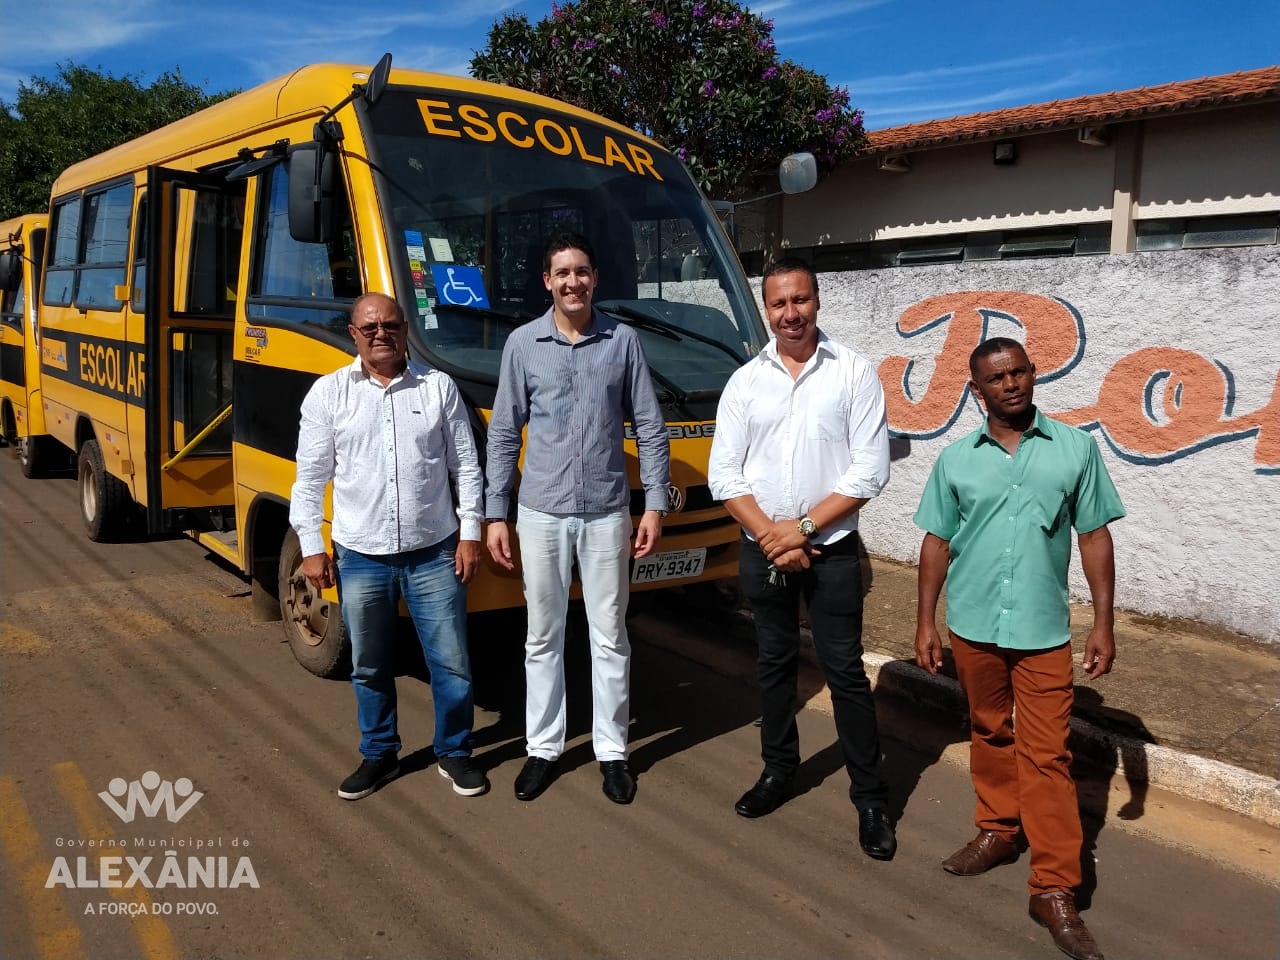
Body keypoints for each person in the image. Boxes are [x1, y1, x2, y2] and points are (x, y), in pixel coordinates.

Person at [913, 336, 1125, 960]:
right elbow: (935, 544)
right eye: (996, 377)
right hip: (972, 624)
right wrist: (925, 622)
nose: (1011, 384)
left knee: (1047, 755)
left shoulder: (1075, 449)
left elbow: (1094, 538)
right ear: (976, 390)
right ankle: (999, 830)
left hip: (1041, 630)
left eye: (1019, 371)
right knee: (987, 731)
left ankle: (1054, 886)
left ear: (1033, 375)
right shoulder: (955, 460)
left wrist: (1104, 623)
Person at [707, 257, 897, 861]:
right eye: (779, 304)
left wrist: (805, 529)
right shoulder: (746, 381)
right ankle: (778, 771)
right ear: (767, 309)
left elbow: (870, 470)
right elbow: (724, 474)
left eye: (801, 300)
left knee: (844, 674)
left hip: (833, 549)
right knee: (773, 665)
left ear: (818, 301)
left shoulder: (854, 373)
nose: (791, 314)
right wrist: (773, 537)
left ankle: (870, 799)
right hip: (765, 546)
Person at [485, 232, 670, 805]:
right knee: (542, 637)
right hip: (539, 512)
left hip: (606, 512)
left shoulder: (622, 341)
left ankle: (612, 751)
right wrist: (497, 512)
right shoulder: (522, 343)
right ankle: (543, 747)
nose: (573, 282)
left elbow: (649, 423)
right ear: (548, 281)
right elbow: (502, 432)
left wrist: (656, 503)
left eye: (582, 271)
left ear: (595, 278)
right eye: (562, 272)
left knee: (610, 637)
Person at [290, 292, 488, 801]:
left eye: (391, 325)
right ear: (353, 333)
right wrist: (312, 547)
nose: (382, 334)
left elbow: (465, 466)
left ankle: (455, 753)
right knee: (370, 663)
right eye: (370, 326)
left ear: (406, 330)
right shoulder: (329, 394)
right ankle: (379, 752)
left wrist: (470, 535)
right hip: (360, 556)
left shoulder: (438, 387)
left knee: (452, 662)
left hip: (434, 552)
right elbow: (309, 481)